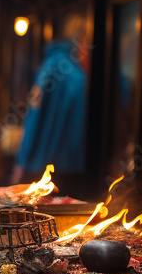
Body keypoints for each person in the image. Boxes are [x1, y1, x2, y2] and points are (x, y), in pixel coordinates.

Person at [11, 14, 88, 198]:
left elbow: (34, 115)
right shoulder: (56, 68)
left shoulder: (57, 68)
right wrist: (22, 161)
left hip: (57, 167)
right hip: (57, 169)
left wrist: (22, 161)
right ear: (80, 38)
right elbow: (35, 116)